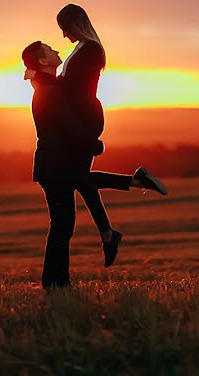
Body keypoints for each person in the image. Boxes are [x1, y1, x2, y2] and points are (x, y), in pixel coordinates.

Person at [23, 40, 166, 289]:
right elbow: (67, 124)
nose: (57, 51)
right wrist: (93, 144)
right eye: (49, 50)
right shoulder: (49, 91)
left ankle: (58, 281)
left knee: (65, 220)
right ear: (44, 61)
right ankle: (54, 282)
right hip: (54, 165)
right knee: (62, 226)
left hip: (56, 164)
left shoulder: (50, 86)